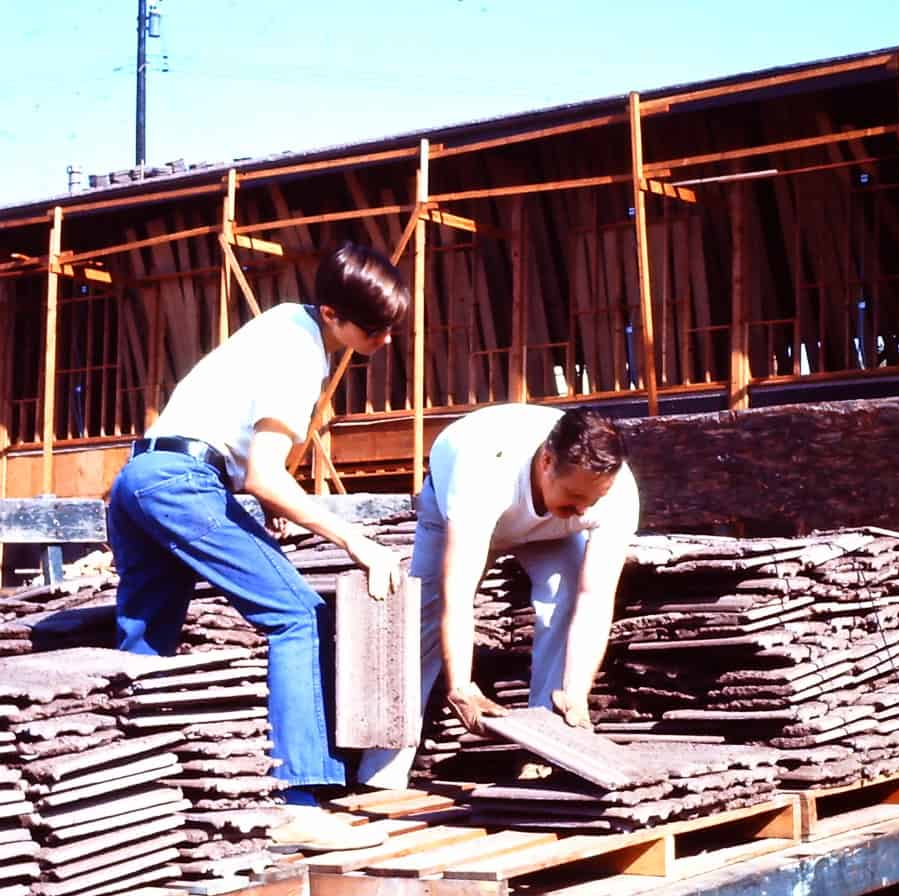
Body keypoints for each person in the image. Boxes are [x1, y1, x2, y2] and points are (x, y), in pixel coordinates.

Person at [108, 242, 410, 803]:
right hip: (182, 485)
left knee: (147, 641)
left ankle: (126, 798)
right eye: (374, 330)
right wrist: (357, 540)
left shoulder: (279, 323)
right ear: (333, 316)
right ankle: (301, 797)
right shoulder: (302, 354)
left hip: (140, 475)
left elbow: (240, 446)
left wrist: (272, 508)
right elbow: (263, 477)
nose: (384, 341)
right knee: (298, 616)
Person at [357, 403, 640, 789]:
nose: (582, 511)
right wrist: (460, 684)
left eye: (590, 503)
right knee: (422, 617)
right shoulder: (484, 468)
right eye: (574, 497)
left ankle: (549, 748)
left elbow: (595, 600)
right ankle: (382, 773)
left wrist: (577, 691)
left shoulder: (617, 493)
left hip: (546, 532)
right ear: (546, 461)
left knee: (567, 595)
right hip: (456, 509)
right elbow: (457, 593)